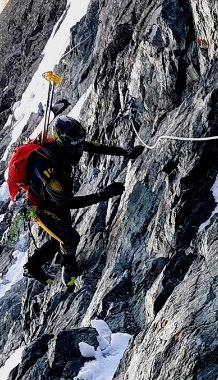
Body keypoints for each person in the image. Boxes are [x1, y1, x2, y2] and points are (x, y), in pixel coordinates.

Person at [21, 116, 144, 287]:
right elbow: (67, 203)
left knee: (59, 238)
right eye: (75, 148)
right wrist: (104, 194)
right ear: (64, 145)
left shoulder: (68, 145)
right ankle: (68, 269)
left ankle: (33, 267)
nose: (79, 151)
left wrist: (124, 152)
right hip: (42, 207)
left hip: (53, 199)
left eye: (79, 146)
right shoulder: (47, 170)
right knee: (69, 239)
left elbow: (91, 146)